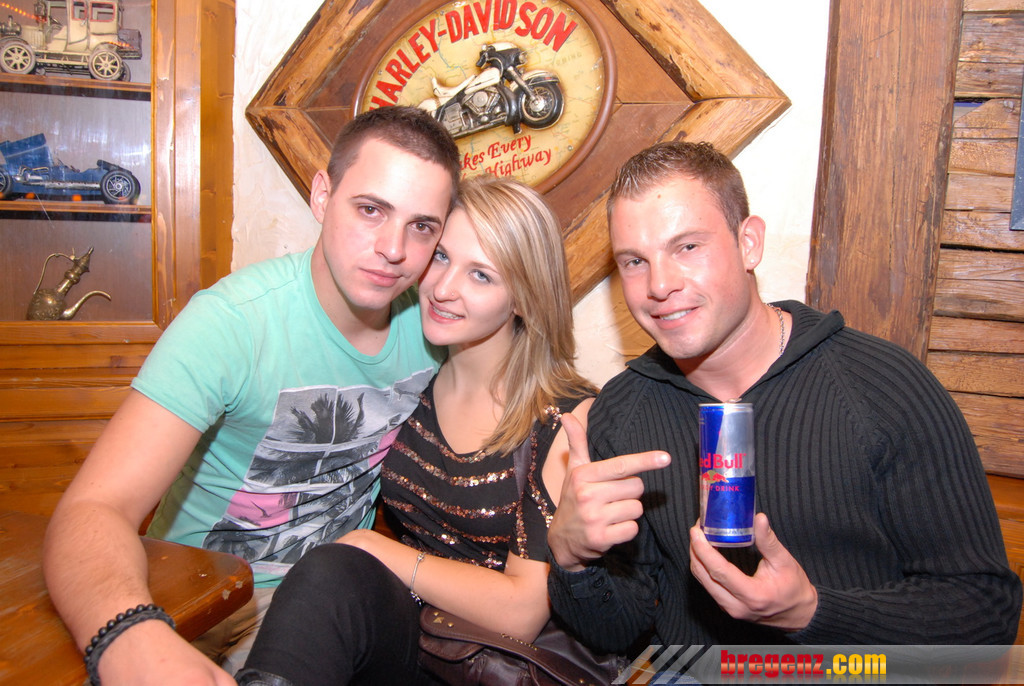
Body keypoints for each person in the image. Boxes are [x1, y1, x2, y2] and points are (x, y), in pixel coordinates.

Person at [546, 141, 1023, 651]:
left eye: (687, 247)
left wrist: (812, 612)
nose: (658, 285)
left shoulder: (883, 386)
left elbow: (986, 611)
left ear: (749, 243)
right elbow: (617, 632)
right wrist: (572, 562)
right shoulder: (622, 412)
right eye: (634, 261)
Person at [42, 106, 462, 686]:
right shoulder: (233, 323)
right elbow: (95, 509)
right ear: (322, 196)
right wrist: (129, 636)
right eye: (371, 210)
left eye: (422, 227)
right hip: (201, 599)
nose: (394, 249)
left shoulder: (439, 326)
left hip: (333, 603)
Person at [235, 174, 599, 686]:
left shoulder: (565, 418)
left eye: (481, 275)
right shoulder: (414, 380)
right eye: (442, 257)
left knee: (335, 567)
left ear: (523, 298)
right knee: (328, 580)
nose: (443, 289)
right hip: (415, 638)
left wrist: (376, 548)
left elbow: (522, 611)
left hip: (502, 665)